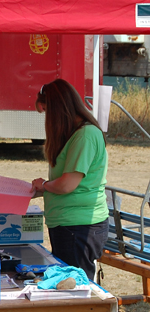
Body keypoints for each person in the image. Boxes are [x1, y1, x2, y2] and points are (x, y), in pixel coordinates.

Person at [31, 79, 109, 280]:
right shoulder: (74, 134)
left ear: (59, 109)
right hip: (67, 224)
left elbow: (67, 184)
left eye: (48, 111)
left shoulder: (85, 135)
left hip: (79, 227)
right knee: (65, 284)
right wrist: (42, 189)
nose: (48, 118)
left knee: (77, 287)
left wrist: (45, 186)